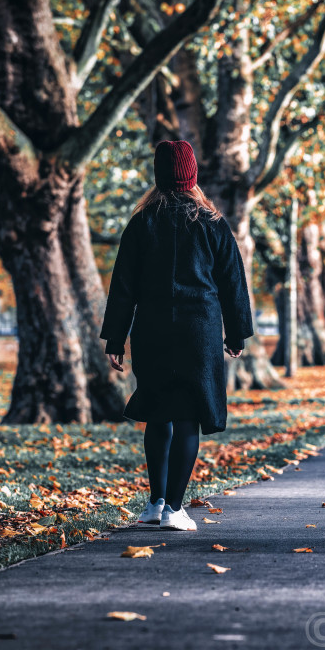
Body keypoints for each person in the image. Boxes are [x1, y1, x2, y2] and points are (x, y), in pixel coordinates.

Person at [100, 141, 253, 532]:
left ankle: (154, 503)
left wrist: (115, 339)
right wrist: (236, 333)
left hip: (151, 330)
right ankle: (175, 508)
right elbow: (233, 283)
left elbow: (123, 288)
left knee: (158, 413)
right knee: (188, 417)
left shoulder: (141, 223)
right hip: (197, 332)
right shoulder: (212, 222)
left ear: (159, 176)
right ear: (192, 175)